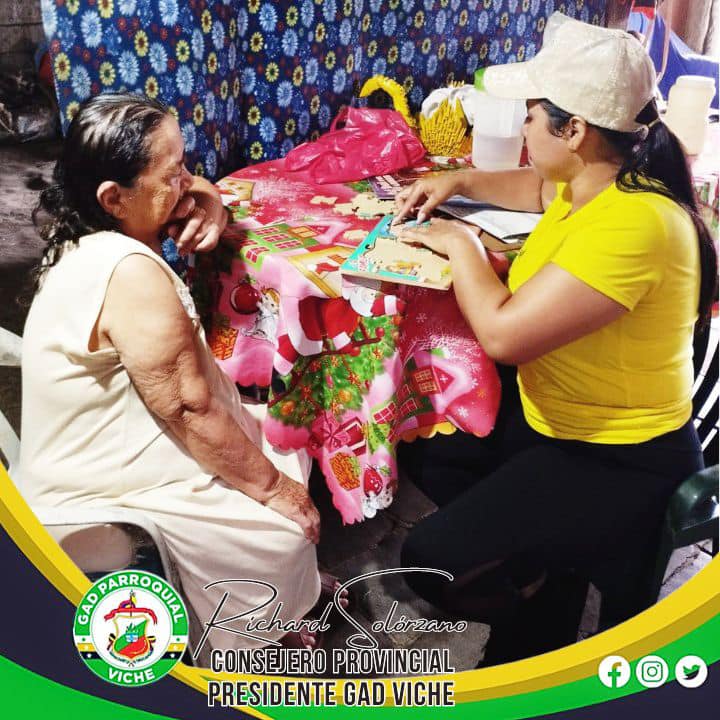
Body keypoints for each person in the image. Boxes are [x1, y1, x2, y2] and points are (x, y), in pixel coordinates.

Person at [393, 14, 717, 664]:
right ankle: (542, 581)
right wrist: (459, 182)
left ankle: (538, 600)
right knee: (426, 443)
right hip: (554, 415)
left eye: (532, 118)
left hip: (620, 455)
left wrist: (460, 245)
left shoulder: (637, 223)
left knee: (429, 560)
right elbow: (538, 188)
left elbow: (503, 335)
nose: (523, 129)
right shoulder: (594, 180)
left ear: (574, 131)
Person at [17, 92, 328, 656]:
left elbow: (194, 188)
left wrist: (206, 199)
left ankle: (279, 608)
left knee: (283, 435)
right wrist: (273, 491)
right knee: (283, 530)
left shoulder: (90, 231)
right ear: (114, 198)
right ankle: (248, 643)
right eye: (172, 174)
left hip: (126, 437)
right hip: (97, 484)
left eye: (184, 163)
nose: (186, 180)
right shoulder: (129, 273)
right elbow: (188, 408)